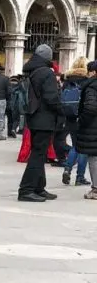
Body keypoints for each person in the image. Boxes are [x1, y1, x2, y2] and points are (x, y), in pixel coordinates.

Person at [17, 44, 61, 202]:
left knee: (39, 154)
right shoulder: (46, 73)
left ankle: (39, 187)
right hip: (44, 119)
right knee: (37, 155)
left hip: (34, 118)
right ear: (48, 57)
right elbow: (51, 97)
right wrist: (60, 109)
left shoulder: (31, 71)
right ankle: (26, 190)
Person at [60, 57, 89, 187]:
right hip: (82, 117)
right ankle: (80, 177)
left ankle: (67, 168)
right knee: (84, 148)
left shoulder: (67, 80)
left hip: (70, 117)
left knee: (75, 145)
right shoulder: (87, 81)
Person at [75, 59, 97, 200]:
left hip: (93, 127)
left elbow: (90, 107)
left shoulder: (92, 87)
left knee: (94, 158)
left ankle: (95, 189)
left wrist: (81, 120)